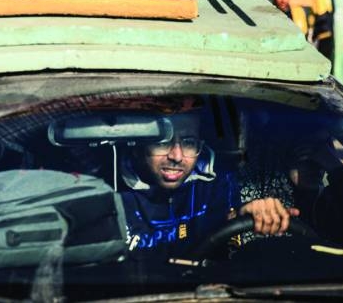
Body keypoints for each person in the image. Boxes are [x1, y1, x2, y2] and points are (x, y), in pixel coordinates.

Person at [120, 111, 296, 260]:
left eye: (189, 142)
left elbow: (226, 234)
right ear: (139, 144)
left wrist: (245, 215)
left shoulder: (217, 180)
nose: (177, 156)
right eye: (163, 142)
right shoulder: (110, 188)